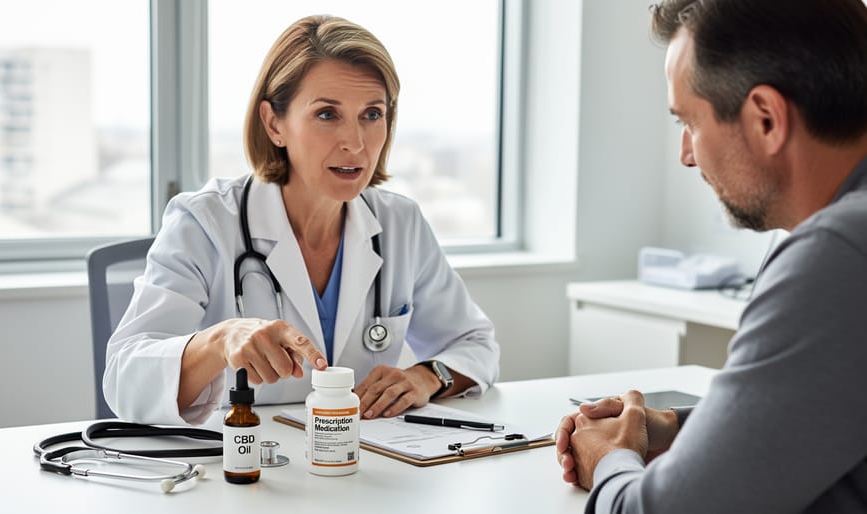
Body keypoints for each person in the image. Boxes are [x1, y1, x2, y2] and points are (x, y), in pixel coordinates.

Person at [104, 15, 499, 426]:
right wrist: (219, 342)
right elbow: (124, 376)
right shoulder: (204, 222)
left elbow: (475, 345)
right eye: (327, 114)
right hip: (243, 466)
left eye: (372, 114)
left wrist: (428, 375)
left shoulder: (401, 222)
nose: (356, 143)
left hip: (363, 467)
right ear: (275, 123)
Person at [555, 0, 867, 512]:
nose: (686, 153)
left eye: (689, 122)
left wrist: (608, 459)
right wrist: (677, 427)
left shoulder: (837, 257)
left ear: (766, 118)